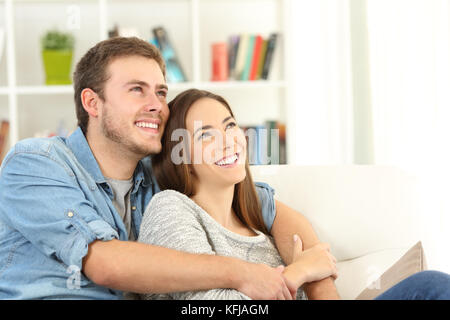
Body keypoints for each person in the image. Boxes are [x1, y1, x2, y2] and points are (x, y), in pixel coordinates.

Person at [0, 37, 339, 299]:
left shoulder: (159, 176)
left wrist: (320, 284)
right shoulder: (37, 161)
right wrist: (242, 273)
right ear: (92, 102)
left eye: (161, 92)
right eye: (137, 90)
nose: (156, 106)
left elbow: (265, 207)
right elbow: (104, 262)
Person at [137, 89, 339, 300]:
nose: (228, 141)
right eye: (205, 135)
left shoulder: (259, 220)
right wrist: (298, 273)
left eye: (230, 125)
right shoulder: (169, 208)